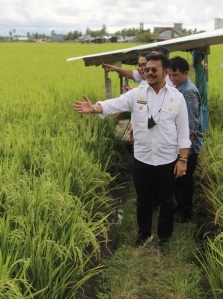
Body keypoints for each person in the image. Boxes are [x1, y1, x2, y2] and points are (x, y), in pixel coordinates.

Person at [73, 53, 191, 248]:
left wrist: (183, 159)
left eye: (154, 69)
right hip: (143, 157)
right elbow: (114, 104)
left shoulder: (177, 98)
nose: (149, 73)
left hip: (167, 158)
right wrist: (94, 107)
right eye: (146, 70)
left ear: (166, 72)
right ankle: (144, 235)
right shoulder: (137, 94)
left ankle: (164, 238)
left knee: (166, 201)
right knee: (143, 199)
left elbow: (183, 130)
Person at [168, 56, 204, 223]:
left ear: (185, 73)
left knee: (184, 181)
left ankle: (185, 214)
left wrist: (184, 153)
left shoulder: (188, 91)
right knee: (179, 180)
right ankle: (180, 210)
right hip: (180, 145)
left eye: (176, 75)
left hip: (188, 146)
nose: (173, 79)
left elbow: (190, 125)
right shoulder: (178, 89)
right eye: (170, 75)